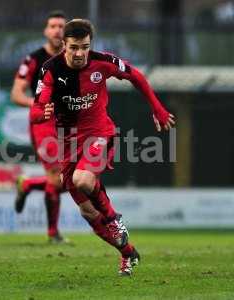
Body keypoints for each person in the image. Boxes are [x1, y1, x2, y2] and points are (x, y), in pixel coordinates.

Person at [30, 19, 175, 276]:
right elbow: (36, 110)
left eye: (84, 47)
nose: (79, 53)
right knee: (87, 211)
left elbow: (136, 76)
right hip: (68, 145)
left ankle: (113, 218)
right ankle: (128, 253)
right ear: (63, 45)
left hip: (100, 134)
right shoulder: (50, 69)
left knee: (84, 180)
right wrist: (43, 113)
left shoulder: (103, 62)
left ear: (90, 45)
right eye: (74, 47)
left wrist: (158, 109)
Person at [11, 11, 67, 243]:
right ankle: (53, 233)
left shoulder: (72, 58)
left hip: (67, 124)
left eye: (61, 26)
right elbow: (16, 93)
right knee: (56, 177)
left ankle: (28, 184)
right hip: (43, 123)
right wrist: (38, 104)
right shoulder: (33, 59)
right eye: (52, 26)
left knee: (71, 179)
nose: (56, 30)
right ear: (46, 31)